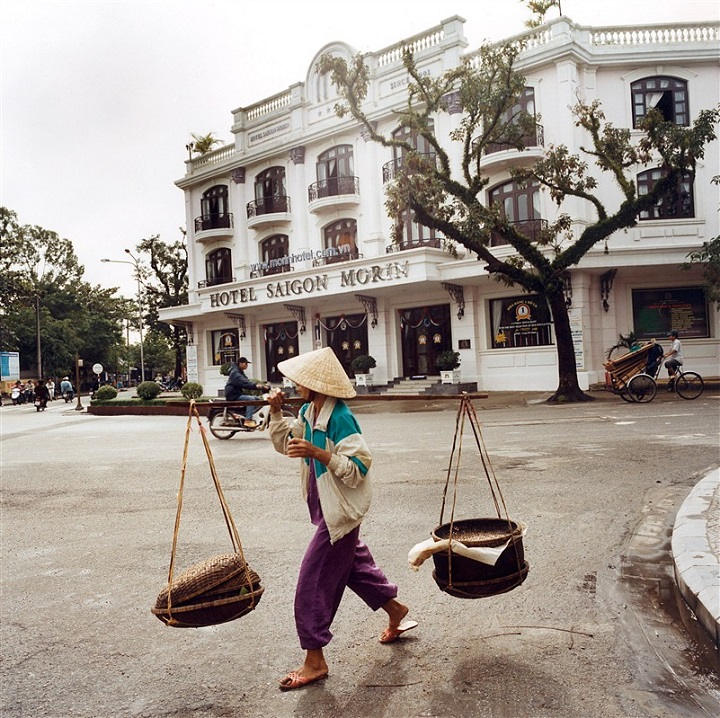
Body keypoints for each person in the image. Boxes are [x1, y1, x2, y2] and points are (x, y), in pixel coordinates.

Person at [267, 347, 416, 692]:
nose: (293, 384)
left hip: (342, 511)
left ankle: (314, 659)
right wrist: (276, 413)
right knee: (352, 566)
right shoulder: (308, 412)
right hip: (324, 507)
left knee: (312, 579)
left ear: (314, 384)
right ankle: (395, 609)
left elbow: (359, 468)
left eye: (298, 381)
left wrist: (320, 453)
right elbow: (286, 443)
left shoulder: (341, 417)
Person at [224, 357, 268, 428]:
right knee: (251, 400)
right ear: (240, 364)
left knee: (258, 399)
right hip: (233, 395)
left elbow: (247, 381)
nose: (247, 365)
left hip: (237, 394)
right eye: (246, 363)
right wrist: (257, 386)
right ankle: (248, 420)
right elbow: (245, 383)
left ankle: (247, 413)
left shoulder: (239, 371)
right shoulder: (236, 373)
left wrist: (259, 385)